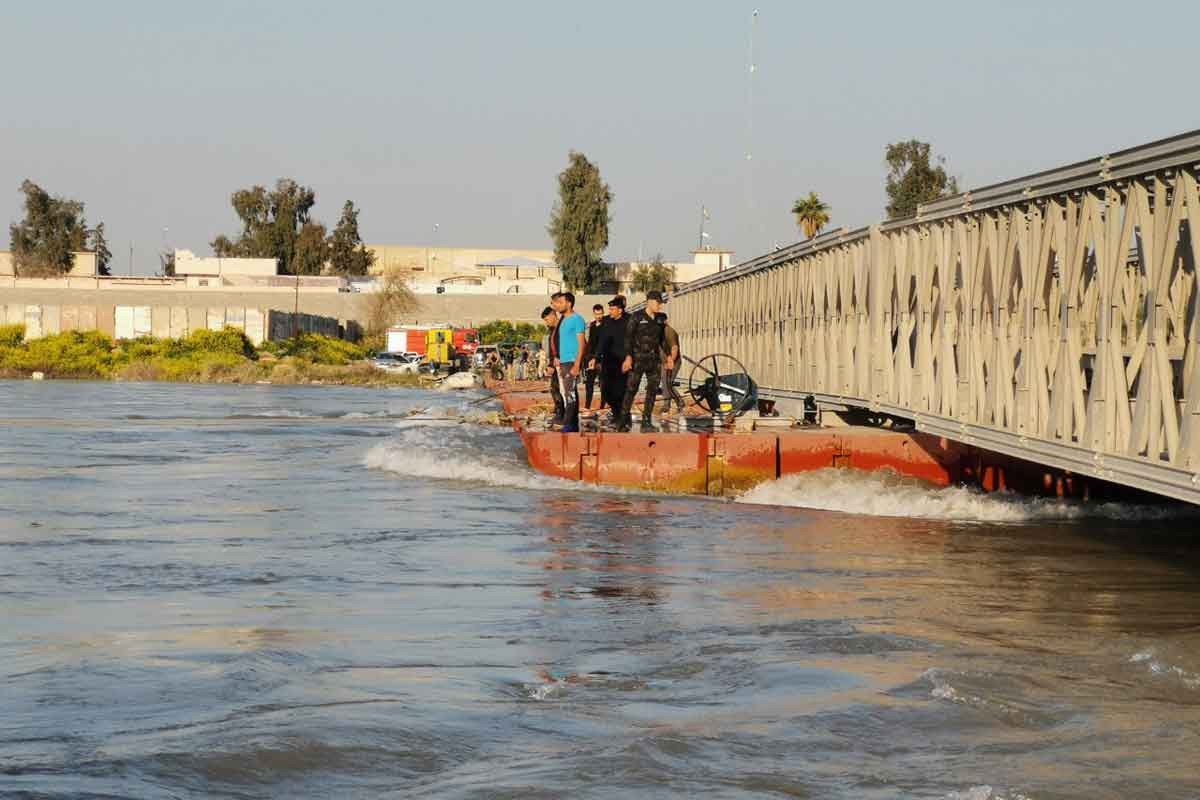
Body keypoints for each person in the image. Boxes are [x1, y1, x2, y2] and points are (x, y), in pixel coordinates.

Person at [619, 290, 669, 433]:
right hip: (637, 359)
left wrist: (668, 356)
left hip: (654, 360)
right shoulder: (637, 317)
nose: (660, 306)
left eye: (661, 303)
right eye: (658, 303)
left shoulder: (660, 319)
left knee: (652, 390)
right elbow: (628, 338)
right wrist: (628, 357)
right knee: (631, 389)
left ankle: (646, 421)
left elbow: (662, 340)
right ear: (650, 301)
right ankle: (623, 420)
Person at [554, 291, 588, 433]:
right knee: (569, 392)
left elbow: (582, 343)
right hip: (564, 361)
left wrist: (577, 364)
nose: (559, 305)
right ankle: (573, 424)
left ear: (569, 303)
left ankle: (568, 424)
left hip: (572, 361)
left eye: (561, 302)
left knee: (570, 395)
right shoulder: (563, 320)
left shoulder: (577, 319)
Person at [594, 295, 628, 423]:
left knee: (621, 392)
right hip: (608, 362)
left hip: (622, 362)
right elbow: (601, 341)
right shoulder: (606, 321)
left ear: (620, 310)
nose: (610, 312)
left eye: (613, 309)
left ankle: (622, 417)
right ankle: (616, 413)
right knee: (607, 392)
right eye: (610, 309)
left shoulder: (629, 321)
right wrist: (596, 358)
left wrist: (630, 358)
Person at [657, 312, 686, 414]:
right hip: (663, 362)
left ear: (665, 321)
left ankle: (674, 403)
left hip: (674, 362)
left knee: (667, 383)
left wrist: (671, 360)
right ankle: (673, 403)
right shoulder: (657, 330)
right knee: (665, 383)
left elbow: (674, 348)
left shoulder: (669, 332)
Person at [541, 304, 564, 424]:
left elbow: (564, 346)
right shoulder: (552, 331)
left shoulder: (563, 327)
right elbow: (552, 349)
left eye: (547, 320)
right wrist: (550, 365)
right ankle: (559, 412)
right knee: (554, 389)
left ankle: (564, 415)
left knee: (563, 391)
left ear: (553, 315)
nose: (546, 323)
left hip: (564, 363)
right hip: (555, 364)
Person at [584, 304, 605, 411]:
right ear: (593, 314)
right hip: (591, 358)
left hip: (602, 359)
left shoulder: (606, 324)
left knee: (603, 384)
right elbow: (590, 342)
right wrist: (588, 357)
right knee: (589, 384)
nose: (599, 316)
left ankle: (602, 405)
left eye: (600, 313)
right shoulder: (592, 325)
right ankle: (587, 405)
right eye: (596, 314)